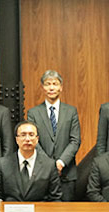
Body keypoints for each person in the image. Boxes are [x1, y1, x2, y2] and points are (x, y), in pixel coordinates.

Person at [27, 70, 81, 201]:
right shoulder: (33, 113)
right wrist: (49, 165)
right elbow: (34, 142)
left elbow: (75, 141)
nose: (51, 87)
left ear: (61, 87)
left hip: (67, 173)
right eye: (47, 84)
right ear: (42, 88)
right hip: (41, 173)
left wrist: (61, 162)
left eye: (55, 84)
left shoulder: (71, 111)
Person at [0, 121, 62, 202]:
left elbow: (55, 199)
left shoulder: (49, 165)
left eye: (31, 135)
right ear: (17, 139)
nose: (27, 139)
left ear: (37, 139)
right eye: (23, 135)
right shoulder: (3, 164)